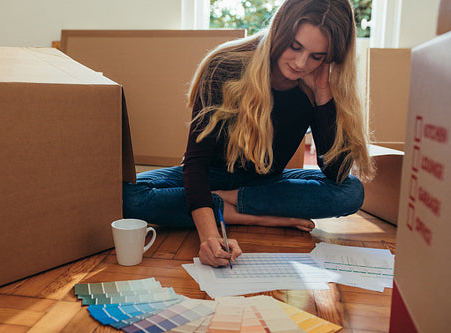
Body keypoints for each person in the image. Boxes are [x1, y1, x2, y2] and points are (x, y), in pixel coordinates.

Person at [123, 0, 374, 268]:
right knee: (125, 197)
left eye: (317, 56)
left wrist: (323, 93)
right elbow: (196, 163)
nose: (302, 63)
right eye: (295, 46)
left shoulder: (318, 83)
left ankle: (229, 204)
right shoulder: (226, 65)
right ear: (280, 31)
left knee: (351, 191)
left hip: (268, 185)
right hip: (211, 176)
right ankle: (248, 215)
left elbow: (335, 173)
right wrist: (209, 235)